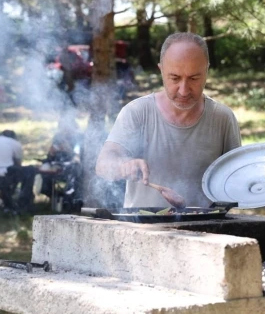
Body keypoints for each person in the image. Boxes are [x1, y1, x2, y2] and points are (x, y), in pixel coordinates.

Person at [95, 32, 241, 208]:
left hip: (206, 230)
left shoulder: (222, 118)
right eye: (175, 78)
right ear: (161, 70)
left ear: (207, 71)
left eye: (194, 78)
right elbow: (103, 164)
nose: (184, 90)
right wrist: (123, 165)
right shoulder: (137, 113)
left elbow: (235, 181)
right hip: (142, 230)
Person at [0, 130, 37, 213]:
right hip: (3, 178)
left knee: (12, 171)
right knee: (30, 170)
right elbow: (18, 164)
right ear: (14, 137)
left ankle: (8, 203)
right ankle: (23, 203)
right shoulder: (14, 143)